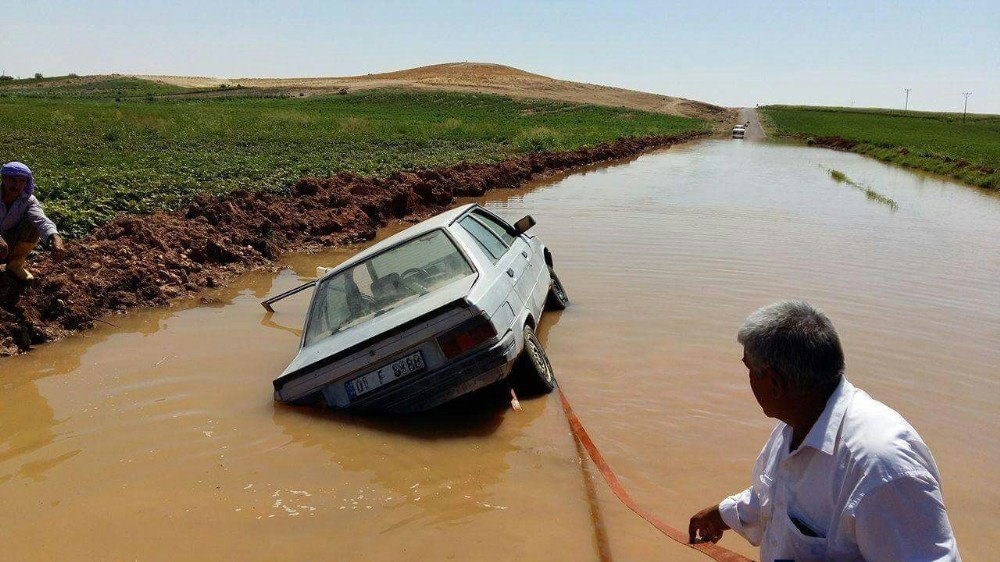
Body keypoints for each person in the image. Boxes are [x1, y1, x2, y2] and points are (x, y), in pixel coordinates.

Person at [689, 301, 960, 561]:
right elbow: (779, 499)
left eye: (749, 370)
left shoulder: (880, 468)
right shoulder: (795, 425)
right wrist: (723, 515)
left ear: (774, 383)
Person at [0, 161, 66, 281]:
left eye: (22, 181)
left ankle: (15, 265)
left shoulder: (28, 200)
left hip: (8, 239)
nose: (17, 185)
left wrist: (56, 237)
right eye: (13, 180)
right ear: (3, 179)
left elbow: (41, 220)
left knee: (32, 226)